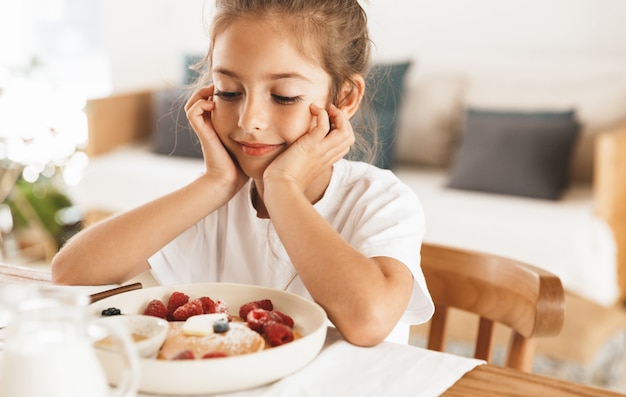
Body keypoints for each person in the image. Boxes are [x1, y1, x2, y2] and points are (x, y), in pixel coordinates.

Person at [51, 0, 433, 346]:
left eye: (284, 96)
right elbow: (72, 272)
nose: (249, 121)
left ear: (344, 99)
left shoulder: (380, 200)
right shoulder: (217, 201)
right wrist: (215, 183)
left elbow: (368, 322)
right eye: (229, 91)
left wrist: (283, 187)